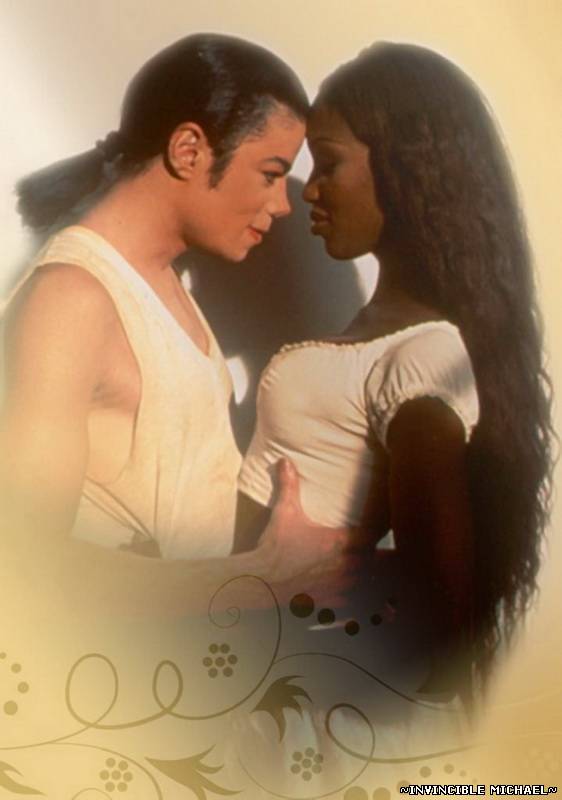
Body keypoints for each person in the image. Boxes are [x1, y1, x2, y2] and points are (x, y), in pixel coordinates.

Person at [236, 42, 553, 707]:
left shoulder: (423, 357)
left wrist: (302, 596)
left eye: (329, 164)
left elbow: (442, 626)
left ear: (408, 168)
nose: (309, 191)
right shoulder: (387, 334)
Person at [0, 33, 351, 619]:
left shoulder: (163, 285)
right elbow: (22, 564)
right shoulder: (72, 298)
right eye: (271, 173)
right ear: (188, 150)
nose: (283, 204)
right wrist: (263, 577)